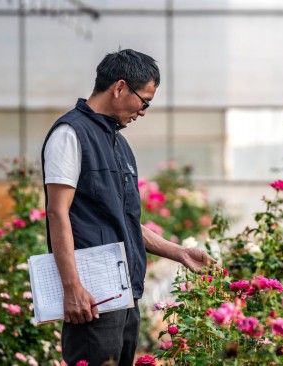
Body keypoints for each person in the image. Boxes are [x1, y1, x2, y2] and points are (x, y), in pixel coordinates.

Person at [41, 49, 217, 366]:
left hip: (124, 291)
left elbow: (123, 220)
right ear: (120, 87)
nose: (144, 111)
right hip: (92, 297)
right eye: (144, 101)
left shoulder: (118, 143)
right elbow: (57, 213)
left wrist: (178, 252)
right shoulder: (70, 134)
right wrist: (73, 288)